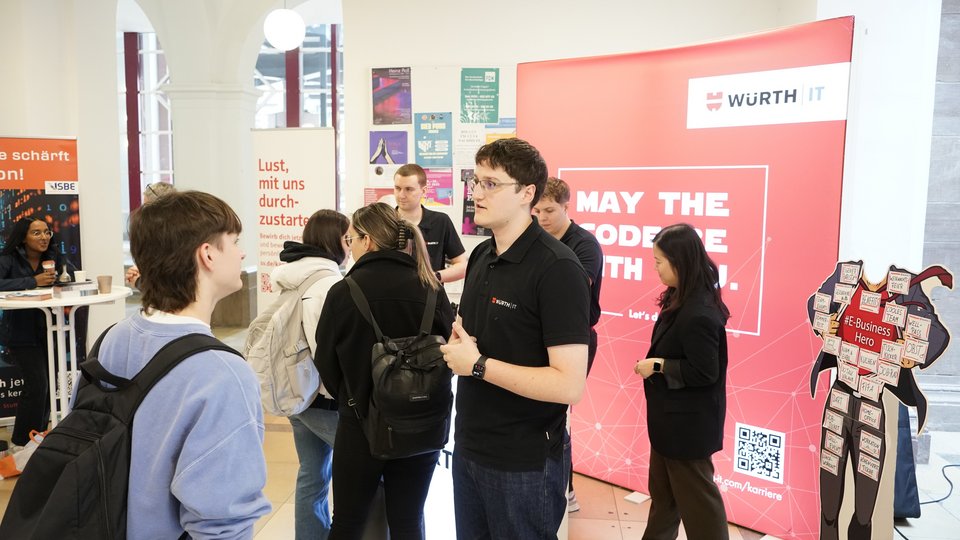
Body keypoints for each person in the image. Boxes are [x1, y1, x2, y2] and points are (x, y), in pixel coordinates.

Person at [93, 190, 271, 538]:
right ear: (207, 254)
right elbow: (223, 523)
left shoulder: (112, 339)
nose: (241, 252)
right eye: (234, 241)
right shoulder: (223, 374)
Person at [440, 138, 591, 539]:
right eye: (476, 182)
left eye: (491, 184)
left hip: (524, 463)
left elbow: (569, 385)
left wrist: (477, 365)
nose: (477, 193)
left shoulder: (558, 269)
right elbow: (471, 338)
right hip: (469, 446)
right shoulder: (481, 256)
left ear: (527, 193)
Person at [315, 202, 454, 539]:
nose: (350, 247)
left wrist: (352, 396)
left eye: (352, 239)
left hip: (360, 424)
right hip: (421, 423)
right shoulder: (431, 288)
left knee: (347, 522)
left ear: (368, 241)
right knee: (408, 520)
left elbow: (326, 361)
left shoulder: (344, 291)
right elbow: (449, 351)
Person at [633, 223, 730, 540]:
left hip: (687, 429)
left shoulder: (698, 312)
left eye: (659, 261)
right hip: (669, 424)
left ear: (680, 262)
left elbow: (705, 373)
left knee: (701, 510)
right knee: (664, 501)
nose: (655, 268)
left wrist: (658, 365)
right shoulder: (681, 297)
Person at [271, 209, 350, 540]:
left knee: (312, 476)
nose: (351, 245)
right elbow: (326, 348)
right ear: (335, 241)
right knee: (358, 471)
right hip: (323, 398)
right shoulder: (328, 283)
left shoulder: (293, 276)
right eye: (348, 238)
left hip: (296, 391)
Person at [532, 176, 604, 512]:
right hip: (539, 336)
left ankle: (566, 488)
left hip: (575, 339)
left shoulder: (585, 245)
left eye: (549, 210)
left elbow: (569, 290)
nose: (542, 217)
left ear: (566, 207)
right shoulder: (537, 239)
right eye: (537, 211)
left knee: (558, 414)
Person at [0, 217, 75, 453]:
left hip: (50, 329)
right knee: (37, 386)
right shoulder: (8, 258)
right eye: (36, 233)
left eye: (46, 232)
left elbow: (71, 277)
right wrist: (32, 281)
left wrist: (63, 277)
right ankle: (22, 442)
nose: (44, 237)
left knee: (49, 385)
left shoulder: (53, 255)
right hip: (21, 333)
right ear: (23, 237)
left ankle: (38, 438)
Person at [393, 163, 467, 284]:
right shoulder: (384, 223)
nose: (401, 195)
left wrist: (433, 277)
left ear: (424, 191)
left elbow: (462, 266)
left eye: (408, 189)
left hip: (430, 293)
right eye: (398, 188)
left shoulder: (441, 221)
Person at [125, 181, 176, 287]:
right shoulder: (180, 233)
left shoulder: (166, 238)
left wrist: (138, 282)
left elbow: (164, 288)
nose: (143, 213)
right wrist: (143, 272)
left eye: (146, 207)